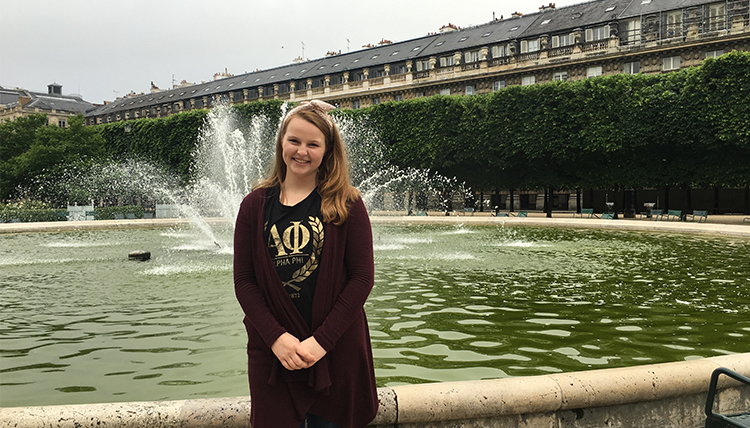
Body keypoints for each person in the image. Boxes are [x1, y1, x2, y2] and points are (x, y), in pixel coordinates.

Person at [234, 100, 378, 428]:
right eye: (294, 140)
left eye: (313, 144)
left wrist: (321, 342)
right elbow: (244, 281)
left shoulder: (348, 202)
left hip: (335, 349)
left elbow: (361, 279)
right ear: (281, 142)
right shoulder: (253, 205)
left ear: (327, 151)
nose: (302, 151)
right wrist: (276, 338)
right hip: (274, 353)